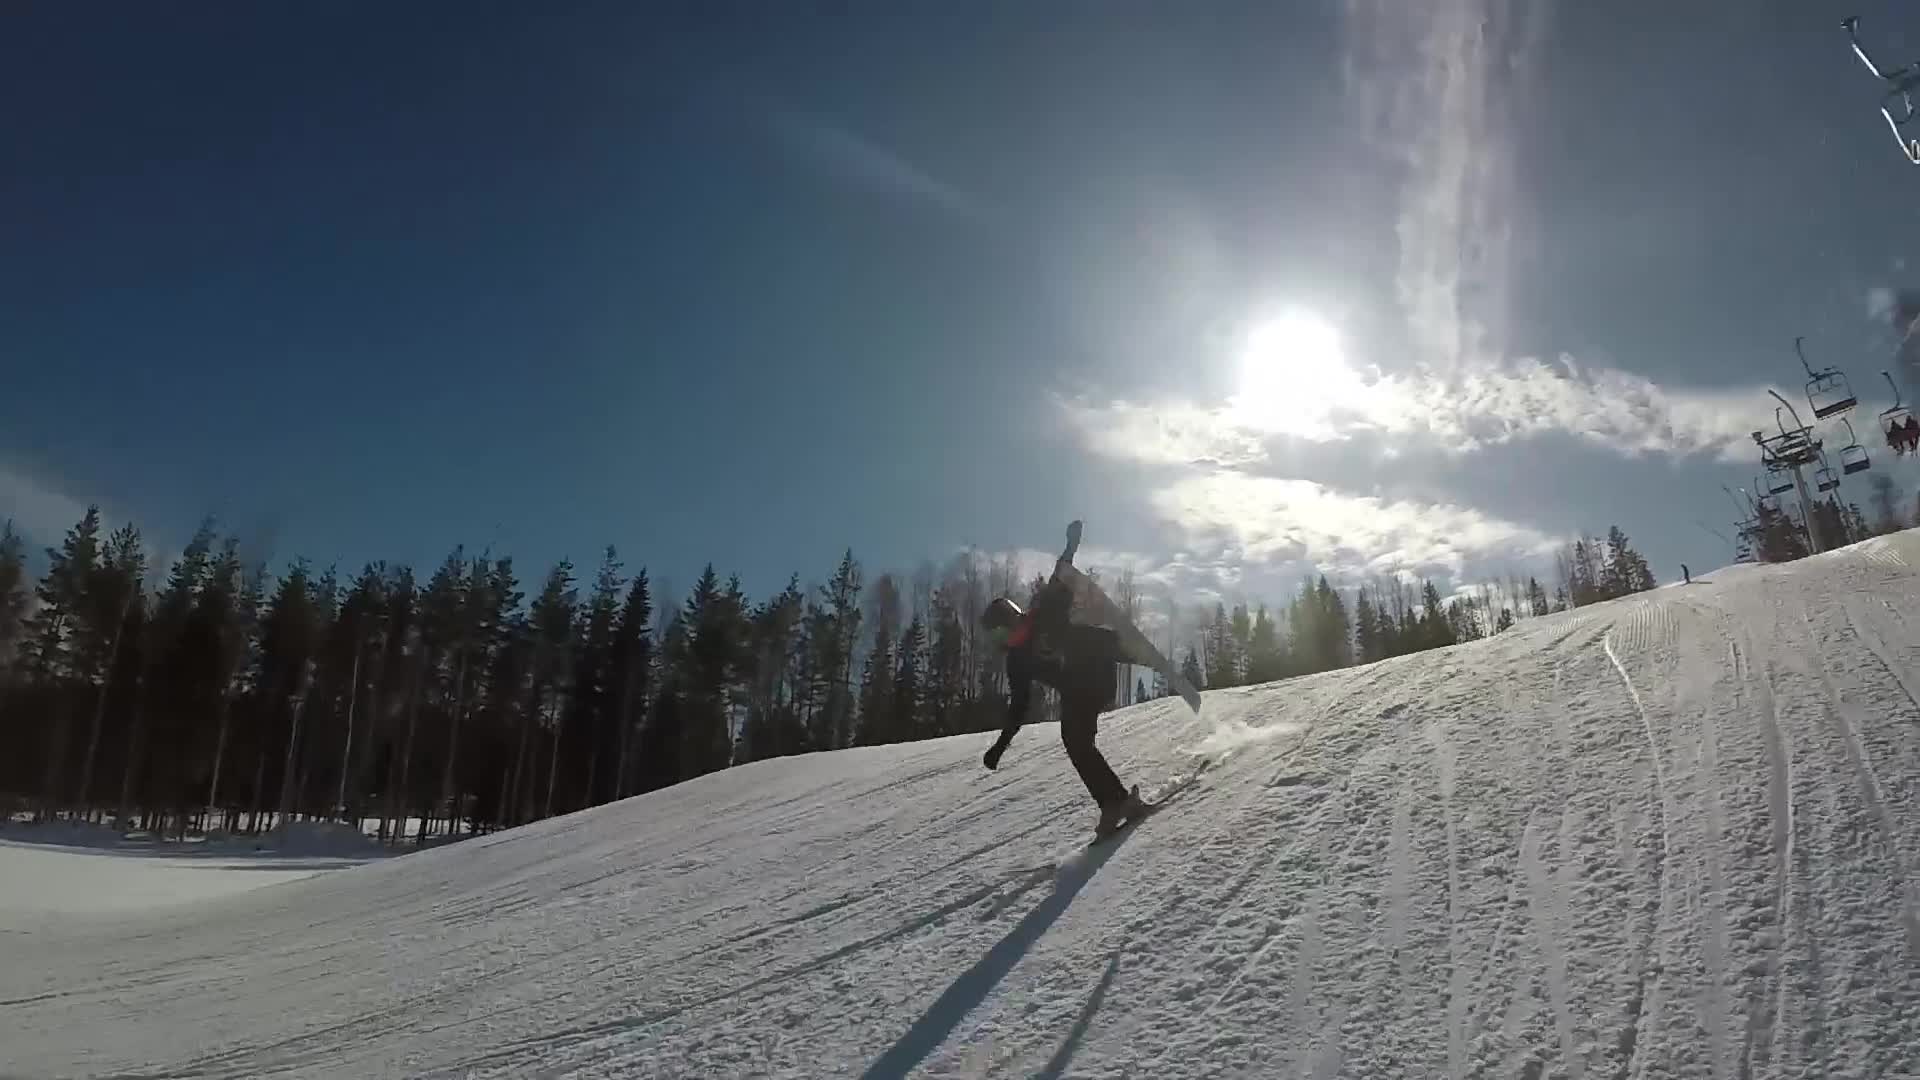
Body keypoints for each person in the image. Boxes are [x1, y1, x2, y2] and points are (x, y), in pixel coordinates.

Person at [979, 520, 1146, 834]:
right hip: (1077, 691)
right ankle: (1115, 802)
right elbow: (1019, 706)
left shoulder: (1043, 611)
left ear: (1014, 618)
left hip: (1099, 667)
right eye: (997, 636)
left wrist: (1071, 545)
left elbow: (1061, 574)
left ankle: (1135, 651)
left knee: (1088, 641)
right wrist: (1001, 745)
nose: (1004, 639)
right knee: (1073, 740)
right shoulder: (1017, 660)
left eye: (1003, 629)